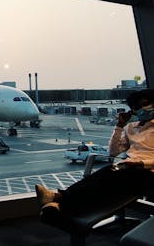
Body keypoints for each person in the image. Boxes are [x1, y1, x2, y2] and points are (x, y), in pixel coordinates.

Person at [35, 88, 154, 217]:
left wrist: (141, 164)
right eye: (138, 106)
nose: (143, 108)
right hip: (129, 168)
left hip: (148, 171)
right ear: (133, 111)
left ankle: (58, 200)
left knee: (105, 178)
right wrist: (119, 126)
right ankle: (60, 203)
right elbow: (113, 152)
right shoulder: (131, 127)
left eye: (146, 103)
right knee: (106, 175)